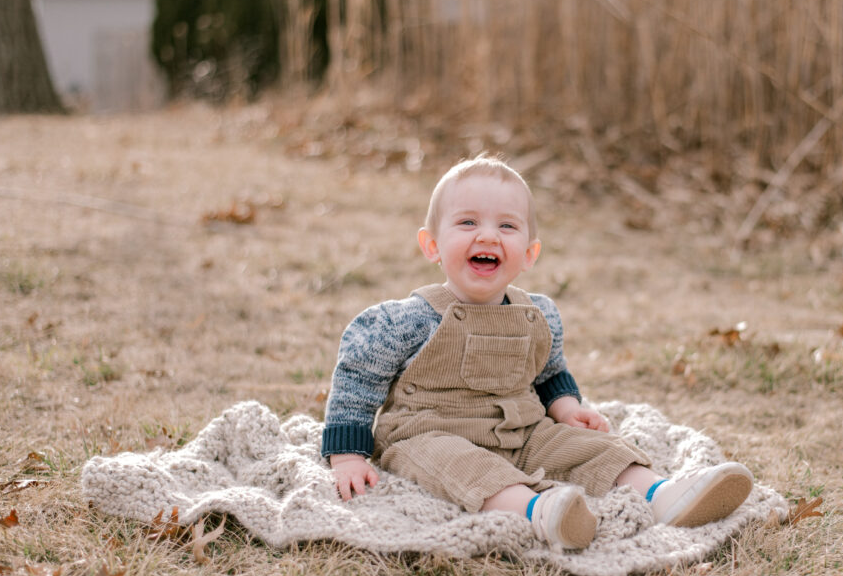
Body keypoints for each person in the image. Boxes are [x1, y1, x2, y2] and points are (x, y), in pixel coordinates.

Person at [322, 155, 753, 550]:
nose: (488, 235)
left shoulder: (539, 314)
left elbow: (550, 371)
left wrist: (565, 407)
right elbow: (358, 379)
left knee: (589, 447)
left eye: (506, 227)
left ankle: (662, 494)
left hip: (522, 431)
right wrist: (347, 454)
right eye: (467, 223)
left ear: (529, 254)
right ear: (432, 245)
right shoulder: (405, 320)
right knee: (462, 466)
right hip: (429, 433)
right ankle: (540, 512)